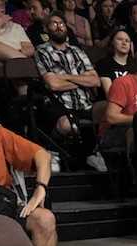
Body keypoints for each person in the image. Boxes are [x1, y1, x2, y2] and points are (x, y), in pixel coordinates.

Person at [34, 11, 102, 166]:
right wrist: (81, 79)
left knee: (108, 110)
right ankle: (52, 150)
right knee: (67, 125)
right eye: (54, 23)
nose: (59, 26)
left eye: (61, 23)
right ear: (46, 29)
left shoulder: (77, 51)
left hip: (85, 102)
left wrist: (66, 77)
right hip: (61, 104)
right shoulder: (42, 51)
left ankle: (95, 152)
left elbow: (95, 81)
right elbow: (53, 84)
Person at [0, 0, 34, 77]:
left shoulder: (16, 27)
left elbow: (30, 49)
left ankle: (23, 71)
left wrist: (10, 55)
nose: (1, 7)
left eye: (3, 4)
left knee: (15, 69)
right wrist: (0, 21)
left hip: (15, 66)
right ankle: (28, 70)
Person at [96, 28, 132, 94]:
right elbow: (110, 93)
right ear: (112, 42)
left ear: (130, 45)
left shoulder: (135, 65)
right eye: (120, 39)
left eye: (127, 41)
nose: (124, 43)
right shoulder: (104, 64)